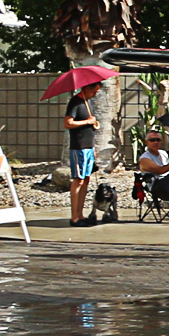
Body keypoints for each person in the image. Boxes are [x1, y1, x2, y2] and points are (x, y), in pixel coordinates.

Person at [63, 81, 101, 227]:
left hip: (88, 146)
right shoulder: (75, 102)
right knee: (78, 179)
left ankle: (80, 214)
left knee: (86, 179)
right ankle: (74, 217)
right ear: (86, 88)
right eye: (94, 91)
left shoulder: (87, 102)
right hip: (78, 147)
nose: (95, 94)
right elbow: (68, 123)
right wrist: (87, 122)